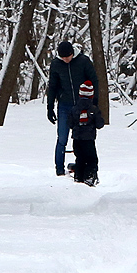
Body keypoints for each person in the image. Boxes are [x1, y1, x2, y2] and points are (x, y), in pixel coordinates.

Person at [45, 40, 97, 176]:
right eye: (63, 57)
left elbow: (94, 81)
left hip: (82, 106)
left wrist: (94, 103)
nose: (65, 60)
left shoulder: (83, 61)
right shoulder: (56, 65)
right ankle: (59, 169)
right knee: (62, 138)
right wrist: (50, 107)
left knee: (81, 138)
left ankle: (80, 167)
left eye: (67, 57)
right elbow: (52, 86)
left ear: (72, 54)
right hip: (64, 105)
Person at [66, 79, 104, 186]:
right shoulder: (94, 109)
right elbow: (100, 124)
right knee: (91, 159)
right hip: (89, 139)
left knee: (80, 159)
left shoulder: (74, 109)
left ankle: (78, 177)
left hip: (77, 139)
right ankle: (89, 177)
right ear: (91, 95)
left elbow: (70, 123)